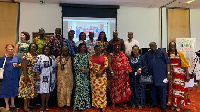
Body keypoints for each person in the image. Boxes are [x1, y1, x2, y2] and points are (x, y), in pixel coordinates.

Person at [144, 42, 171, 112]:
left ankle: (163, 106)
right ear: (149, 47)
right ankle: (154, 103)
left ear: (156, 46)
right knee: (152, 89)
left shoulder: (162, 53)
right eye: (151, 46)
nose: (152, 46)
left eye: (153, 45)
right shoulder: (147, 54)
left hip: (162, 75)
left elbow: (168, 63)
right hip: (151, 75)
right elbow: (144, 63)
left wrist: (168, 73)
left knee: (162, 90)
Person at [167, 41, 191, 112]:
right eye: (171, 45)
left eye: (173, 45)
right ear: (169, 46)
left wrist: (187, 74)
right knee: (171, 90)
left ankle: (178, 105)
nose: (172, 46)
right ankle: (173, 104)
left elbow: (185, 65)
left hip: (179, 74)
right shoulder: (166, 54)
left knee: (178, 89)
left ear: (175, 46)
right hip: (171, 74)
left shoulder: (180, 54)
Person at [108, 43, 132, 110]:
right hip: (114, 75)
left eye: (118, 46)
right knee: (114, 89)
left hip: (123, 76)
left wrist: (127, 70)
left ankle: (122, 102)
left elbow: (126, 63)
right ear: (113, 48)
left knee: (122, 89)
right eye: (116, 46)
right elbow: (109, 64)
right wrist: (112, 72)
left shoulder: (123, 54)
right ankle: (113, 103)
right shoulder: (111, 55)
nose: (117, 47)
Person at [33, 45, 56, 111]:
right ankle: (42, 105)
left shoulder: (53, 57)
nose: (47, 51)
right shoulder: (40, 57)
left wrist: (55, 78)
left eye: (48, 49)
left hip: (51, 76)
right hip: (43, 76)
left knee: (49, 91)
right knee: (43, 91)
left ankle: (47, 104)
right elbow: (36, 67)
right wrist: (37, 75)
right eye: (45, 49)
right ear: (43, 50)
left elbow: (55, 68)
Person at [0, 44, 21, 111]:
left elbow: (20, 64)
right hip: (6, 76)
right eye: (9, 49)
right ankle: (7, 105)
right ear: (6, 49)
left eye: (11, 49)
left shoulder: (16, 57)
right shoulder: (3, 58)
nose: (10, 51)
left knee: (13, 89)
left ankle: (12, 104)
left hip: (14, 76)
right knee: (6, 90)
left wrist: (17, 65)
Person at [18, 43, 38, 112]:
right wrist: (25, 76)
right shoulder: (27, 55)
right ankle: (25, 107)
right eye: (32, 47)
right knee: (26, 92)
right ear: (29, 47)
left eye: (35, 47)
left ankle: (28, 105)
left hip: (33, 76)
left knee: (30, 91)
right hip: (27, 75)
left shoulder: (36, 55)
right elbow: (23, 66)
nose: (33, 48)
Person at [89, 45, 108, 112]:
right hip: (94, 76)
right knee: (95, 91)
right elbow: (90, 66)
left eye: (99, 49)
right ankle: (96, 105)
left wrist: (100, 72)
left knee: (102, 90)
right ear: (94, 50)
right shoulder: (91, 57)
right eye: (96, 49)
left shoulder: (104, 57)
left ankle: (103, 106)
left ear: (101, 50)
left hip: (102, 75)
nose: (97, 51)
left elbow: (106, 65)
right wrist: (96, 72)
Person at [73, 43, 91, 111]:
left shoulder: (88, 55)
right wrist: (83, 70)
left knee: (85, 90)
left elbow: (91, 64)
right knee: (79, 90)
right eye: (81, 47)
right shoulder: (76, 56)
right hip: (79, 75)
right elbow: (75, 65)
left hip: (86, 75)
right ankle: (78, 105)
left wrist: (88, 69)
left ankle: (85, 105)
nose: (82, 48)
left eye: (84, 47)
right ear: (79, 48)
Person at [56, 46, 73, 110]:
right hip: (60, 77)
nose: (65, 51)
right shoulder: (58, 58)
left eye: (66, 50)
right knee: (60, 91)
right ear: (61, 51)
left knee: (68, 91)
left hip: (69, 78)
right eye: (63, 50)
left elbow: (73, 69)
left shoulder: (71, 58)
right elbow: (56, 68)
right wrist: (55, 78)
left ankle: (67, 105)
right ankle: (61, 105)